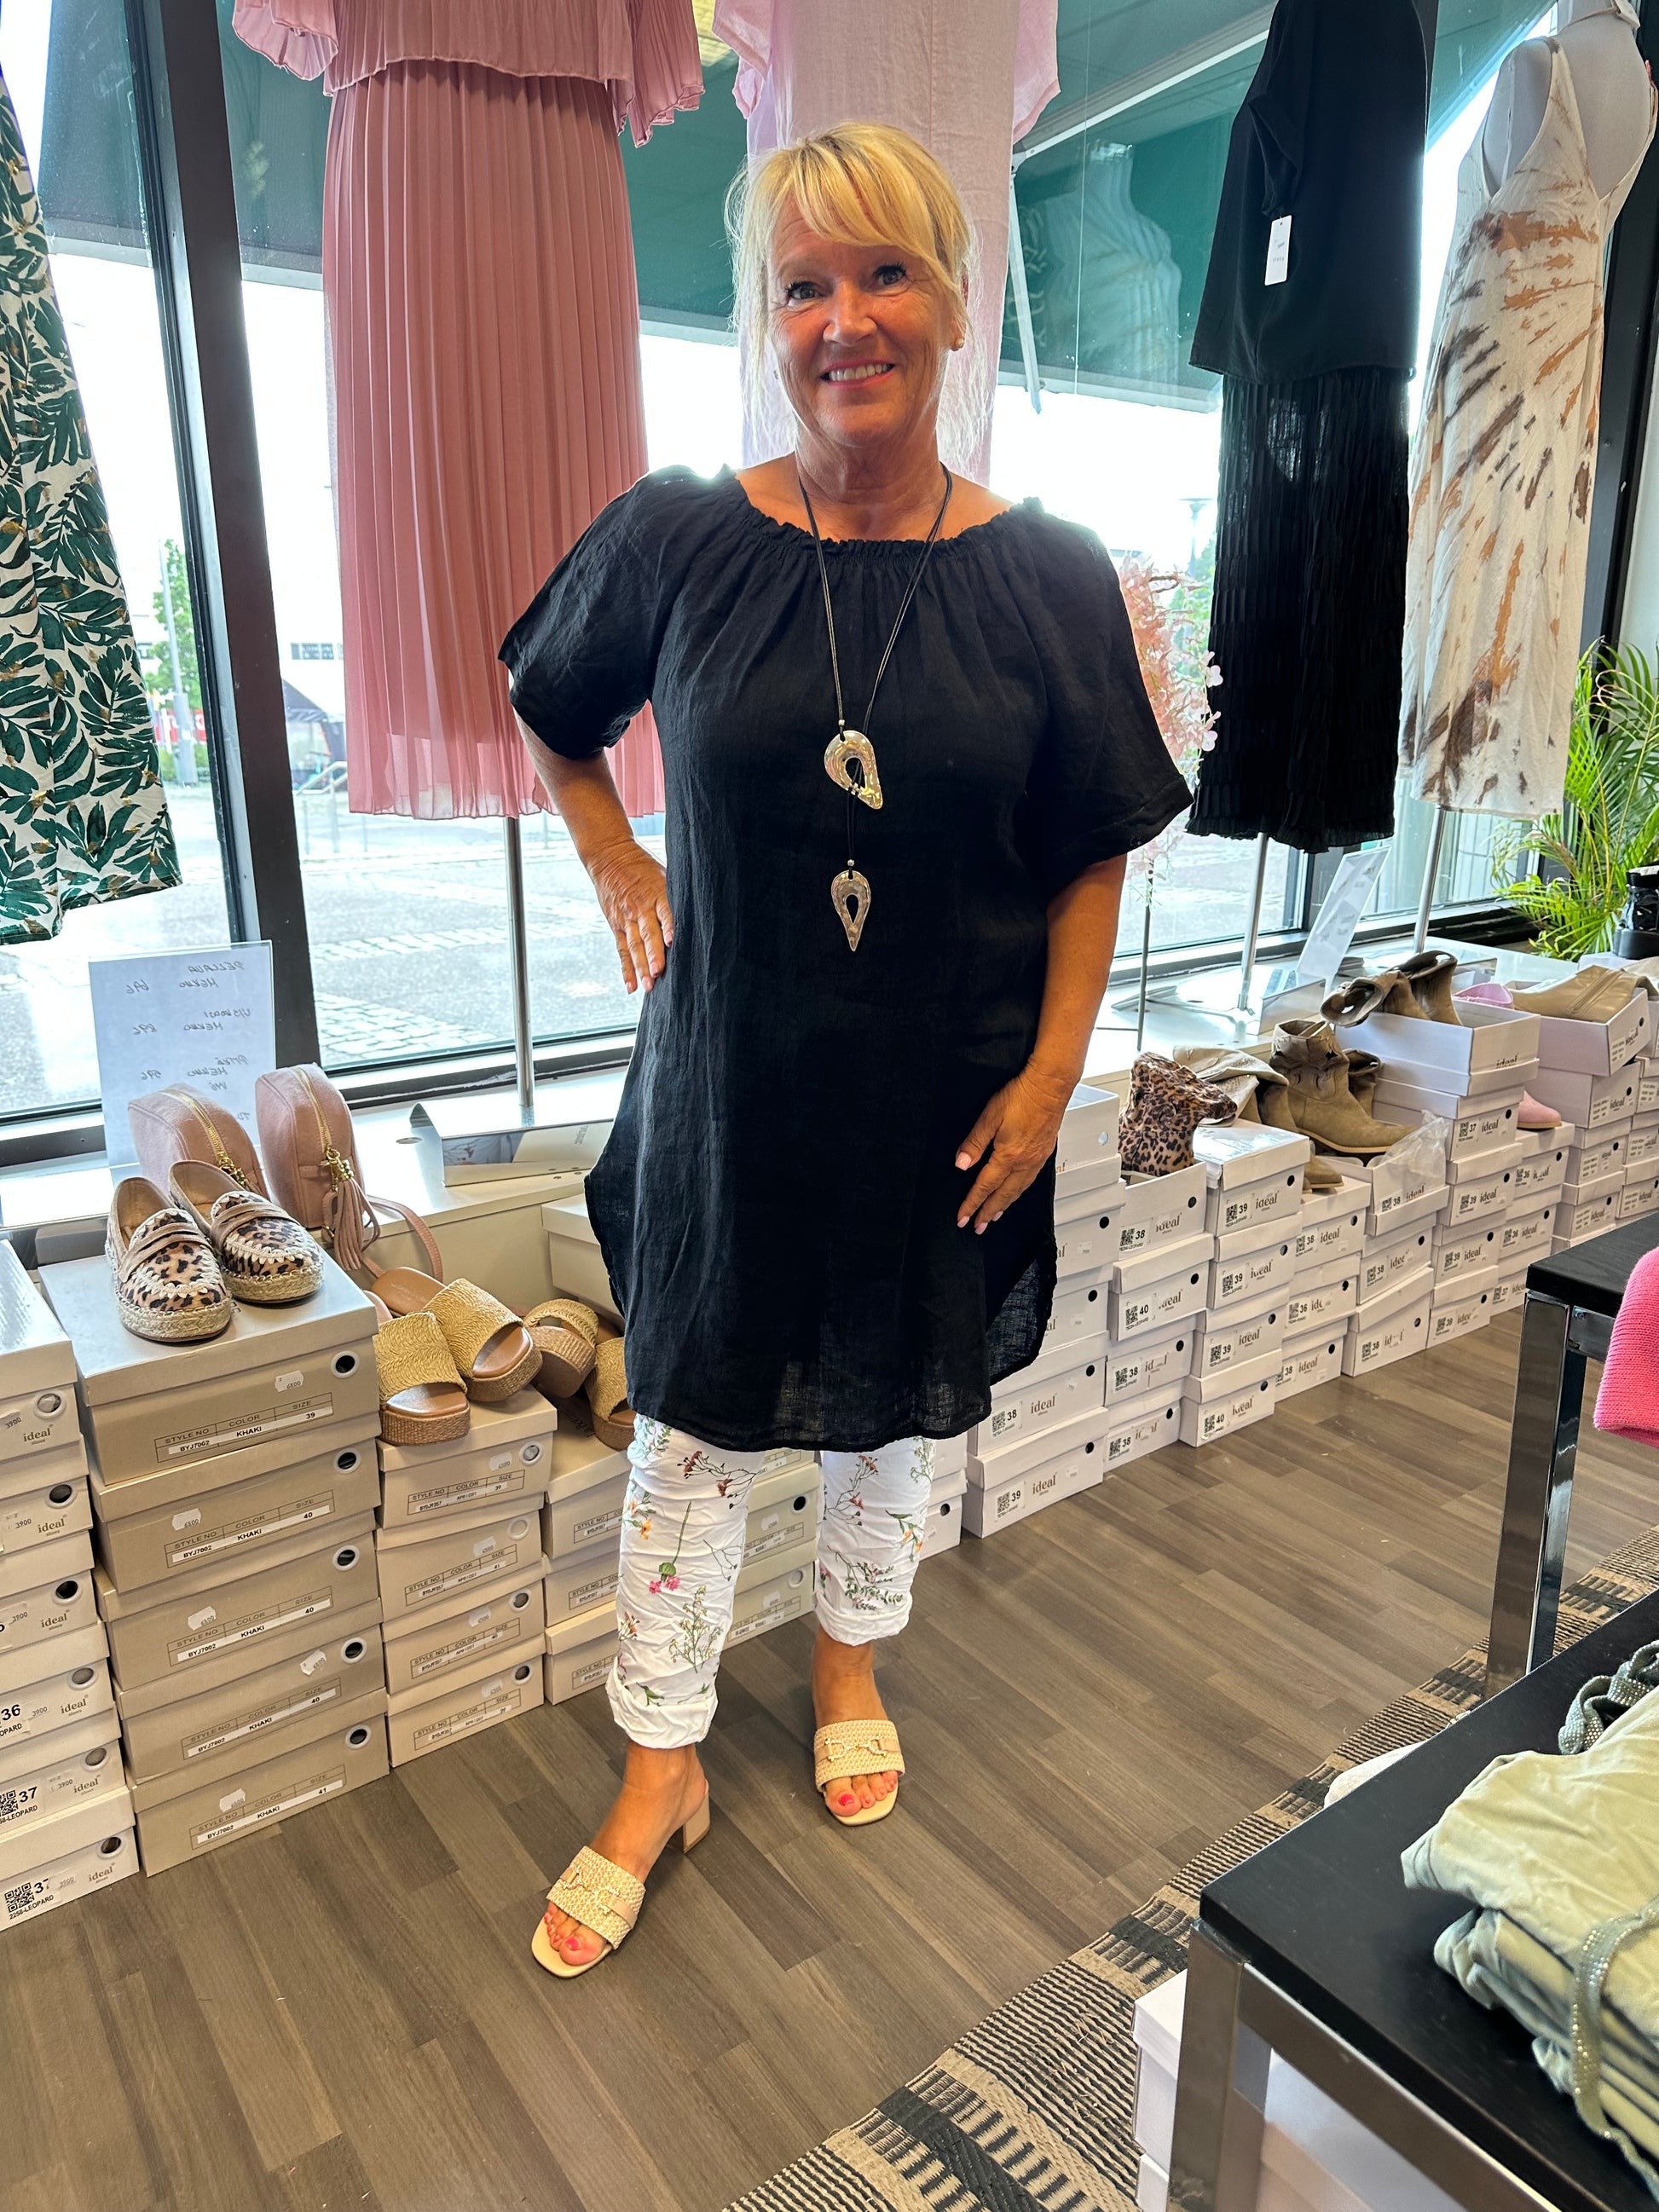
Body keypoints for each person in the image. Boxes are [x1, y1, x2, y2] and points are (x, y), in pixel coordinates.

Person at [502, 121, 1190, 1978]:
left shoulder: (1048, 574)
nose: (843, 319)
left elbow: (1088, 848)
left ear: (953, 302)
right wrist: (616, 853)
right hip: (729, 1100)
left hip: (945, 1095)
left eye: (884, 272)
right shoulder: (679, 537)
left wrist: (1053, 1078)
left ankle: (847, 1659)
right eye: (802, 284)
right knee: (688, 1434)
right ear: (767, 319)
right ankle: (661, 1764)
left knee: (892, 1413)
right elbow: (552, 705)